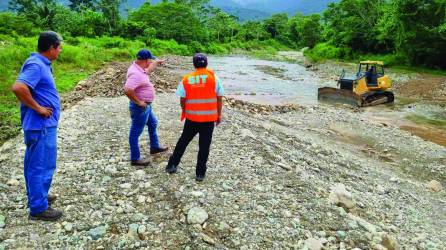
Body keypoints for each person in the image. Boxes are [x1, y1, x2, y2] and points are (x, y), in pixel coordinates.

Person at [11, 31, 63, 221]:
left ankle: (37, 196)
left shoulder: (41, 64)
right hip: (40, 125)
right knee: (41, 165)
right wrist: (39, 108)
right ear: (51, 48)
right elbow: (18, 87)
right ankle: (38, 208)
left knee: (35, 163)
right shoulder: (36, 65)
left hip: (41, 126)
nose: (60, 51)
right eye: (59, 47)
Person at [165, 53, 224, 182]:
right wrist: (219, 115)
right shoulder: (214, 78)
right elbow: (219, 98)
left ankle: (172, 165)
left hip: (192, 118)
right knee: (204, 146)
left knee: (183, 141)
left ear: (194, 64)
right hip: (208, 120)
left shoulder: (187, 79)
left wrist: (185, 110)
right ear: (206, 63)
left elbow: (182, 99)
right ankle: (200, 174)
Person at [124, 49, 168, 167]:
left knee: (153, 123)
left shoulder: (139, 68)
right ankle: (135, 159)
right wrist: (138, 102)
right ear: (146, 60)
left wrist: (156, 63)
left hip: (146, 106)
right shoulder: (136, 73)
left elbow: (148, 70)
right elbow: (127, 90)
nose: (151, 62)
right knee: (135, 133)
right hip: (141, 108)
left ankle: (154, 147)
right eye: (150, 60)